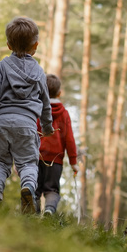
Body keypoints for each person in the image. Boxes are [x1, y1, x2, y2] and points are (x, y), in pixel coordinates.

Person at [0, 17, 53, 213]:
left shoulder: (1, 67)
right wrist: (47, 127)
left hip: (2, 122)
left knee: (1, 162)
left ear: (8, 45)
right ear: (35, 46)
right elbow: (45, 103)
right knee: (28, 162)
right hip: (27, 125)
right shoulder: (39, 72)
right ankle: (27, 188)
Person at [35, 73, 78, 215]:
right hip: (55, 160)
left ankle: (31, 215)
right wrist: (73, 162)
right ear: (59, 94)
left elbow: (30, 132)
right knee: (52, 190)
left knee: (34, 188)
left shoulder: (37, 110)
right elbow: (69, 139)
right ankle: (49, 210)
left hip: (36, 156)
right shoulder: (64, 113)